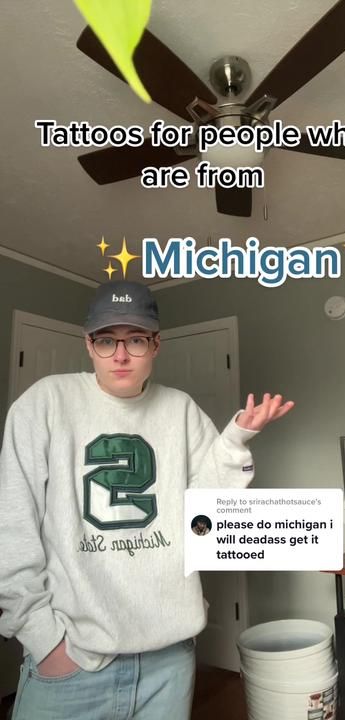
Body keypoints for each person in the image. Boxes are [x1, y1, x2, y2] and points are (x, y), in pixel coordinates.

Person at [0, 280, 294, 720]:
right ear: (88, 343)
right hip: (73, 660)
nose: (120, 355)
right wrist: (44, 640)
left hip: (169, 663)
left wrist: (235, 440)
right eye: (106, 340)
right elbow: (13, 528)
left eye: (135, 339)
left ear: (156, 345)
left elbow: (209, 511)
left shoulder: (180, 409)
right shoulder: (43, 404)